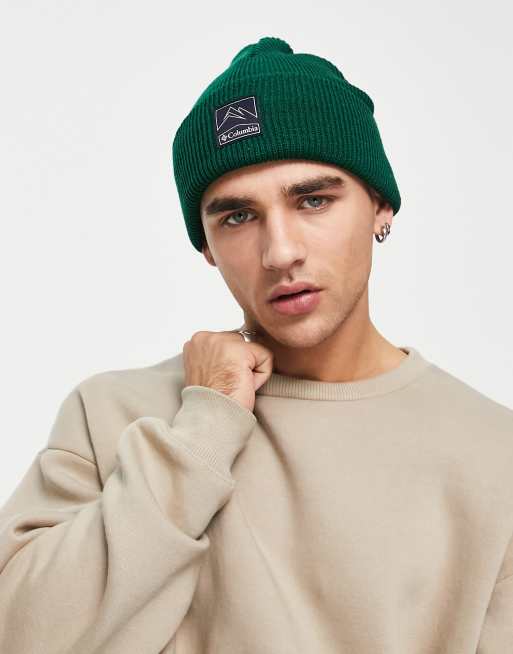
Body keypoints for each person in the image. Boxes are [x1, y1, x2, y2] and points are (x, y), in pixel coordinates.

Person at [0, 35, 512, 654]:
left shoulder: (494, 456)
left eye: (314, 200)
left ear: (381, 206)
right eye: (238, 217)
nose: (280, 252)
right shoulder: (112, 416)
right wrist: (202, 433)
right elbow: (19, 636)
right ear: (206, 247)